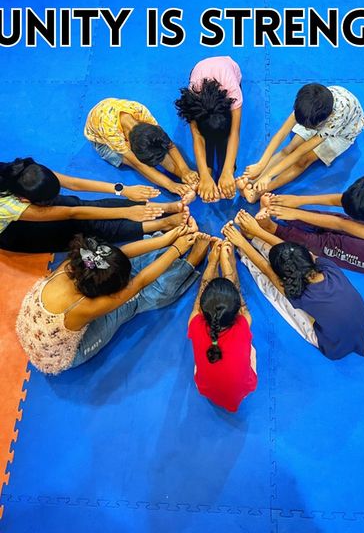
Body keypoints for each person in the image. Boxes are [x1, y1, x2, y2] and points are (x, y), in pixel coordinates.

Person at [16, 227, 211, 374]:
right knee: (131, 301)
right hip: (62, 355)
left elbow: (121, 253)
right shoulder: (84, 307)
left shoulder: (76, 264)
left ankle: (163, 251)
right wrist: (175, 249)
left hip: (37, 332)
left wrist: (165, 240)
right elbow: (139, 283)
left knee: (117, 264)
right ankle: (188, 264)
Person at [222, 211, 364, 360]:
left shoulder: (302, 295)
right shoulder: (328, 267)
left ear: (287, 279)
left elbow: (267, 270)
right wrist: (257, 232)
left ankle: (245, 254)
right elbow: (296, 252)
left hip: (335, 345)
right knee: (289, 256)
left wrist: (242, 244)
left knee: (275, 291)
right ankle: (254, 240)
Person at [0, 158, 195, 252]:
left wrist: (123, 189)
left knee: (79, 203)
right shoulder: (10, 206)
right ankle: (163, 223)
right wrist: (127, 211)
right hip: (14, 234)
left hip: (23, 202)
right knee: (84, 231)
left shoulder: (21, 171)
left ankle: (166, 208)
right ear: (23, 199)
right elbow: (72, 213)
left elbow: (73, 183)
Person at [263, 174, 364, 279]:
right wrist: (299, 200)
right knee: (336, 219)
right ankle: (285, 216)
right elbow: (344, 201)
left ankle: (275, 228)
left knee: (334, 245)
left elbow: (342, 225)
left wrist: (295, 213)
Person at [237, 83, 364, 203]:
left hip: (342, 131)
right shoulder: (308, 105)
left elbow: (300, 152)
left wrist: (270, 176)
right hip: (319, 119)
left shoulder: (334, 119)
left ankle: (258, 192)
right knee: (289, 149)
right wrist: (261, 164)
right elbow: (282, 132)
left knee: (303, 161)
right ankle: (254, 181)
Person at [188, 240, 257, 412]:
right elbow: (240, 303)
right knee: (252, 350)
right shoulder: (243, 324)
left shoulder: (195, 324)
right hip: (242, 392)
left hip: (204, 389)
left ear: (203, 310)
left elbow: (198, 302)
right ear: (235, 311)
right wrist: (228, 264)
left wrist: (212, 262)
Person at [84, 97, 199, 196]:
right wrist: (171, 185)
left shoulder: (141, 111)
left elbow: (168, 144)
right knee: (134, 163)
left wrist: (185, 170)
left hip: (110, 115)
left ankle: (189, 180)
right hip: (102, 142)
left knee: (159, 153)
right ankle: (188, 181)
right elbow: (139, 164)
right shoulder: (112, 135)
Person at [175, 56, 243, 202]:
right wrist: (204, 175)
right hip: (199, 69)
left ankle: (226, 172)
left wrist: (228, 171)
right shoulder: (193, 96)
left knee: (223, 134)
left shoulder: (233, 93)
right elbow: (197, 137)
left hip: (229, 67)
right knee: (208, 133)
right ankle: (209, 170)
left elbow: (234, 133)